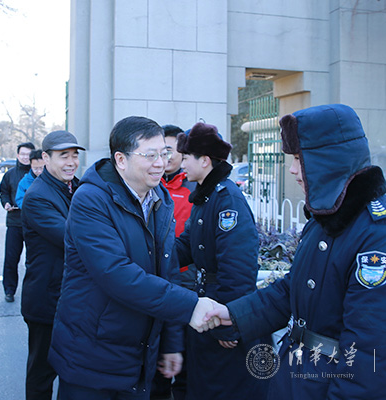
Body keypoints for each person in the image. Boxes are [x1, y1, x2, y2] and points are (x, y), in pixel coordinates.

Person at [203, 104, 386, 400]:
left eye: (299, 159)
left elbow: (373, 362)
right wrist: (235, 314)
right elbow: (292, 290)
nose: (293, 169)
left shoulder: (381, 238)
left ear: (330, 160)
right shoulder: (329, 218)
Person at [48, 116, 222, 400]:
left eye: (164, 154)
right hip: (91, 355)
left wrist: (171, 343)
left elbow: (167, 272)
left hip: (140, 354)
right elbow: (116, 274)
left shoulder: (159, 198)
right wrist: (191, 306)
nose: (160, 163)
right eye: (150, 155)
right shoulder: (90, 200)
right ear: (121, 159)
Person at [174, 122, 266, 400]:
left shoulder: (227, 200)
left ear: (204, 161)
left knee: (223, 387)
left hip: (222, 311)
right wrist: (151, 256)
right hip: (209, 304)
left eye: (186, 157)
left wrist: (231, 322)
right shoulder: (206, 196)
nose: (181, 164)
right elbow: (187, 245)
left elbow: (238, 267)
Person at [20, 131, 84, 400]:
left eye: (74, 156)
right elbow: (73, 237)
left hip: (71, 297)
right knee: (42, 374)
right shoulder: (38, 196)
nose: (71, 162)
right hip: (47, 300)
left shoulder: (76, 187)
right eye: (63, 156)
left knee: (74, 369)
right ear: (45, 158)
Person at [151, 124, 196, 400]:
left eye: (169, 151)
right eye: (159, 151)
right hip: (156, 278)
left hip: (185, 278)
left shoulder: (193, 187)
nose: (165, 157)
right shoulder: (151, 184)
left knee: (185, 358)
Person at [0, 141, 35, 302]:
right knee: (11, 258)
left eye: (29, 154)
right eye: (23, 154)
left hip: (34, 224)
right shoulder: (10, 174)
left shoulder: (39, 173)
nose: (26, 157)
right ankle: (9, 290)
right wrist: (6, 203)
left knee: (34, 260)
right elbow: (3, 192)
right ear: (17, 155)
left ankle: (32, 291)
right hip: (14, 222)